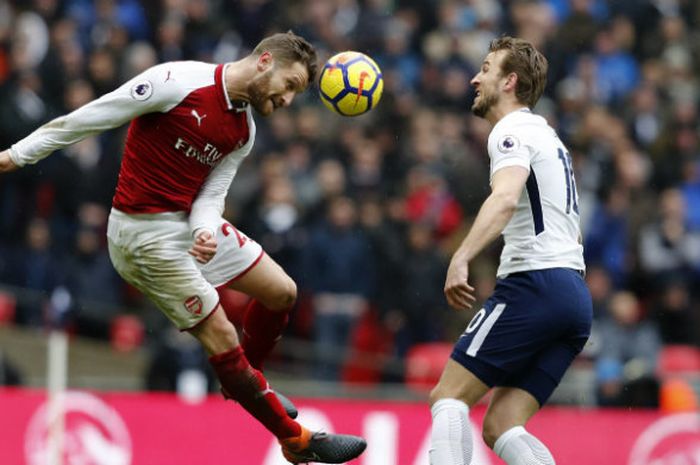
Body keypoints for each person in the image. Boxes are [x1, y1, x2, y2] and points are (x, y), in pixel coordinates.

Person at [0, 31, 366, 464]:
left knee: (282, 291)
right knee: (222, 334)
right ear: (265, 61)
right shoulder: (178, 81)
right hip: (140, 237)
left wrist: (204, 230)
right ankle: (296, 440)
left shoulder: (243, 131)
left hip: (182, 225)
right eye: (290, 86)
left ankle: (243, 382)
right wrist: (15, 155)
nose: (288, 100)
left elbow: (211, 197)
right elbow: (94, 116)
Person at [429, 36, 592, 465]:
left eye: (485, 68)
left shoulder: (511, 130)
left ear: (509, 81)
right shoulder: (550, 138)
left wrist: (461, 256)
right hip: (573, 296)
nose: (474, 77)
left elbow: (503, 199)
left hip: (533, 285)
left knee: (448, 395)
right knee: (501, 425)